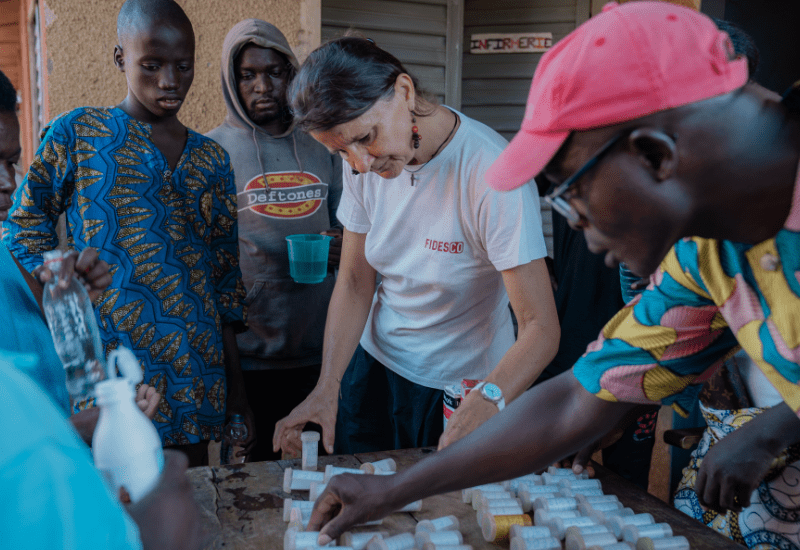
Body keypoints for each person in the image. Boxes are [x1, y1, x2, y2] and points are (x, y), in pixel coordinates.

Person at [304, 4, 800, 548]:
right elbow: (577, 400)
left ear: (654, 156)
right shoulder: (706, 256)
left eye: (570, 195)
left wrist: (779, 425)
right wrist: (393, 490)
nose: (580, 233)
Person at [272, 37, 559, 456]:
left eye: (366, 137)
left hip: (458, 387)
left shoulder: (489, 173)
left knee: (443, 514)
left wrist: (490, 398)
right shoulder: (361, 164)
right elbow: (354, 281)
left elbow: (540, 328)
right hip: (372, 370)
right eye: (340, 151)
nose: (360, 164)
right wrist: (327, 386)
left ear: (404, 92)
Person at [4, 0, 251, 467]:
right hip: (112, 380)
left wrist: (238, 394)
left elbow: (224, 284)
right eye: (151, 65)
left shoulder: (212, 160)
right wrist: (63, 303)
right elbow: (24, 226)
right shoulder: (79, 134)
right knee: (116, 511)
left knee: (187, 505)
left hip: (194, 378)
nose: (169, 82)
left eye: (183, 67)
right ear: (121, 58)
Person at [206, 19, 343, 462]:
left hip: (321, 352)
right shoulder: (212, 152)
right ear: (231, 80)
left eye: (274, 72)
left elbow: (352, 225)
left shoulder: (324, 142)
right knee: (256, 484)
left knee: (319, 471)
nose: (262, 86)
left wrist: (342, 245)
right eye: (247, 75)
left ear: (292, 75)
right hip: (250, 357)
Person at [0, 68, 160, 442]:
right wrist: (85, 430)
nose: (9, 183)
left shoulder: (11, 258)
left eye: (10, 162)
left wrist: (71, 305)